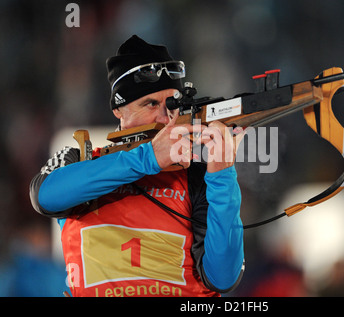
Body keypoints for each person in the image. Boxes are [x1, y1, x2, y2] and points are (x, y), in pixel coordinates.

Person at [29, 35, 245, 297]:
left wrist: (223, 175)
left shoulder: (196, 174)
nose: (166, 117)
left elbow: (223, 278)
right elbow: (45, 196)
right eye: (150, 104)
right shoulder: (82, 160)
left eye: (173, 104)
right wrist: (148, 158)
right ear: (118, 110)